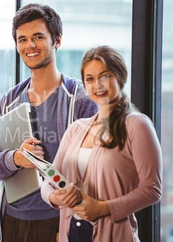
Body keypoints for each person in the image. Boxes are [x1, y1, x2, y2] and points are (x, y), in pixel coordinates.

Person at [0, 3, 98, 242]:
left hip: (60, 221)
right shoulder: (9, 101)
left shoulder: (80, 100)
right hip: (13, 222)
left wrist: (71, 226)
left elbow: (96, 168)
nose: (30, 45)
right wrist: (14, 158)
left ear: (57, 40)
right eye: (22, 39)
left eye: (38, 37)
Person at [41, 45, 162, 241]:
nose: (97, 85)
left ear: (120, 76)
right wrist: (54, 198)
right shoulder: (76, 129)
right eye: (90, 79)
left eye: (104, 76)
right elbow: (49, 179)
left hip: (115, 235)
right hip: (71, 233)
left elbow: (152, 189)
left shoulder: (136, 125)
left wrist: (103, 208)